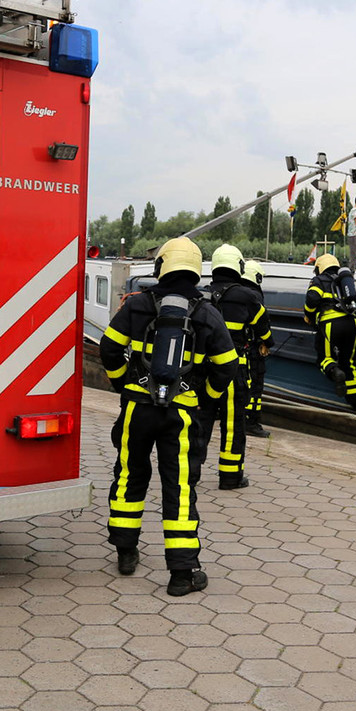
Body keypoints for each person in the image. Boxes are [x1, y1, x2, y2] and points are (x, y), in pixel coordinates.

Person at [99, 237, 237, 596]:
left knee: (129, 475)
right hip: (182, 415)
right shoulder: (207, 312)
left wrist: (123, 384)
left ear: (162, 266)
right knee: (179, 488)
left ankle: (126, 552)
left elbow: (109, 348)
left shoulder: (138, 304)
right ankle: (182, 573)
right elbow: (227, 365)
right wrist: (205, 398)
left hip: (137, 408)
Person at [204, 244, 271, 488]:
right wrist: (266, 343)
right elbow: (263, 328)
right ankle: (230, 477)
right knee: (233, 423)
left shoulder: (203, 295)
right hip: (235, 369)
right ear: (238, 266)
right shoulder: (247, 297)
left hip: (205, 369)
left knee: (200, 420)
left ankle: (191, 472)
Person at [304, 253, 356, 413]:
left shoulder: (319, 280)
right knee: (348, 363)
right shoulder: (344, 280)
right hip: (352, 323)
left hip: (331, 324)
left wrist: (309, 315)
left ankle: (335, 372)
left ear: (320, 267)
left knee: (325, 358)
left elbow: (312, 299)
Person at [239, 260, 272, 439]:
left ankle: (240, 418)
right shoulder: (254, 296)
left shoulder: (237, 292)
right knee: (255, 387)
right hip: (253, 350)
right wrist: (268, 342)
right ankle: (251, 422)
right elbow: (262, 323)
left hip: (238, 349)